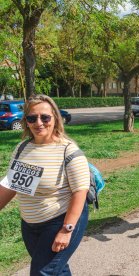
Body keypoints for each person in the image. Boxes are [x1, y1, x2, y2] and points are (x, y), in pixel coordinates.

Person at [0, 94, 90, 275]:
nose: (38, 123)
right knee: (58, 270)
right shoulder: (22, 148)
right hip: (30, 225)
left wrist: (67, 229)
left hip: (60, 221)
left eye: (45, 117)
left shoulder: (68, 150)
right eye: (32, 118)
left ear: (55, 118)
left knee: (42, 272)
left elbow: (80, 192)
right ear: (26, 121)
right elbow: (11, 184)